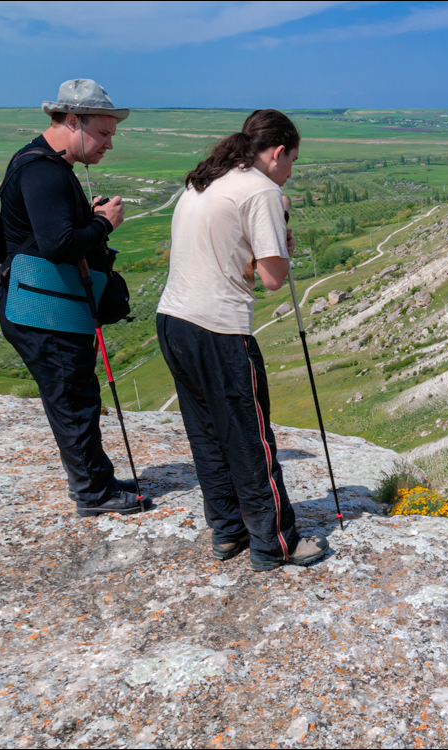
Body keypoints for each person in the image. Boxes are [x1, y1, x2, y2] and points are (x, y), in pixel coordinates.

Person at [156, 109, 328, 570]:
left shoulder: (206, 178)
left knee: (207, 434)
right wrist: (283, 238)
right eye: (292, 161)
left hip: (173, 319)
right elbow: (272, 279)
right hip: (218, 328)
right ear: (277, 152)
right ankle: (275, 543)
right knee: (250, 439)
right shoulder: (261, 190)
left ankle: (229, 531)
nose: (289, 172)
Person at [0, 79, 148, 517]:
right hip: (44, 312)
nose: (108, 145)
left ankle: (96, 478)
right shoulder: (44, 172)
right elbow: (59, 245)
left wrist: (89, 215)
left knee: (76, 394)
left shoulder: (42, 163)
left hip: (46, 306)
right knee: (73, 399)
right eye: (103, 134)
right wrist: (104, 224)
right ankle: (93, 493)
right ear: (71, 120)